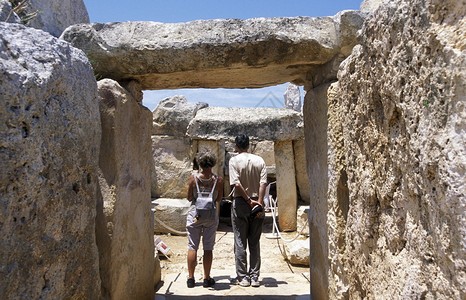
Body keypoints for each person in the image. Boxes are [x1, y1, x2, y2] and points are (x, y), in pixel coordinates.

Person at [229, 134, 267, 287]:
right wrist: (258, 202)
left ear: (236, 146)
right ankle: (255, 277)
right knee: (254, 241)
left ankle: (243, 277)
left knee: (239, 241)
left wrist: (247, 200)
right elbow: (263, 182)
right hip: (257, 203)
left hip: (241, 202)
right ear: (249, 145)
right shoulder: (260, 160)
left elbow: (236, 184)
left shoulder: (234, 160)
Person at [186, 150, 223, 288]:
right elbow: (219, 199)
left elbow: (189, 197)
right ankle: (207, 278)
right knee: (208, 247)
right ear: (213, 163)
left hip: (195, 214)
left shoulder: (193, 178)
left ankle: (191, 278)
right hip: (210, 215)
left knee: (192, 246)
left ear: (200, 163)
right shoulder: (218, 180)